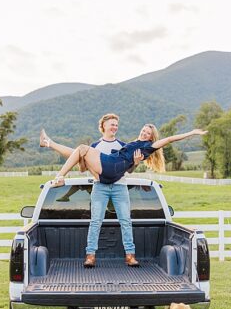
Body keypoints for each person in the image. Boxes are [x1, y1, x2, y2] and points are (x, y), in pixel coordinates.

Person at [39, 114, 144, 268]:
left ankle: (130, 256)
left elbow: (129, 171)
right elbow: (83, 168)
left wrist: (135, 163)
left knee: (126, 222)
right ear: (103, 126)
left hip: (120, 186)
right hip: (100, 186)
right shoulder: (95, 146)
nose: (114, 127)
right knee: (95, 222)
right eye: (112, 124)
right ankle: (90, 256)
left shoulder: (124, 146)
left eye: (116, 124)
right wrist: (89, 167)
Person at [50, 124, 205, 188]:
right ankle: (75, 165)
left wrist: (192, 133)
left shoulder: (148, 146)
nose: (144, 133)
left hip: (112, 165)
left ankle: (59, 177)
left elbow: (170, 139)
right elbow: (128, 166)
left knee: (82, 149)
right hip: (110, 172)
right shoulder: (135, 143)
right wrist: (135, 162)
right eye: (144, 130)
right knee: (80, 153)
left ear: (151, 138)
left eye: (148, 133)